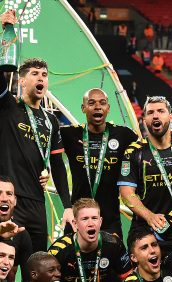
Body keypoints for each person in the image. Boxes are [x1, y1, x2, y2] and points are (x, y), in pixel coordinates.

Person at [0, 10, 69, 252]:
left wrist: (67, 205)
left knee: (38, 263)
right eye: (34, 74)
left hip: (37, 202)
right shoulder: (7, 107)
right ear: (22, 81)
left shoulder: (51, 120)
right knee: (7, 261)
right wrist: (4, 37)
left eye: (44, 75)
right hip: (10, 200)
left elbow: (57, 165)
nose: (41, 78)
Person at [119, 96, 172, 254]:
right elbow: (126, 193)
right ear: (144, 120)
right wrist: (150, 216)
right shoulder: (134, 152)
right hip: (146, 232)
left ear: (171, 117)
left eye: (161, 111)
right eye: (150, 112)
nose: (155, 116)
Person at [59, 88, 139, 237]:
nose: (97, 107)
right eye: (91, 103)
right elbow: (43, 143)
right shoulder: (69, 134)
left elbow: (150, 149)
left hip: (110, 220)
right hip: (77, 218)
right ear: (83, 108)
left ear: (108, 108)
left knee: (113, 252)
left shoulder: (124, 135)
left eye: (102, 103)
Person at [48, 198, 132, 282]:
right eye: (85, 219)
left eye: (94, 218)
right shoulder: (58, 251)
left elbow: (129, 279)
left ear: (100, 221)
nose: (91, 224)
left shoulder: (114, 243)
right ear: (75, 224)